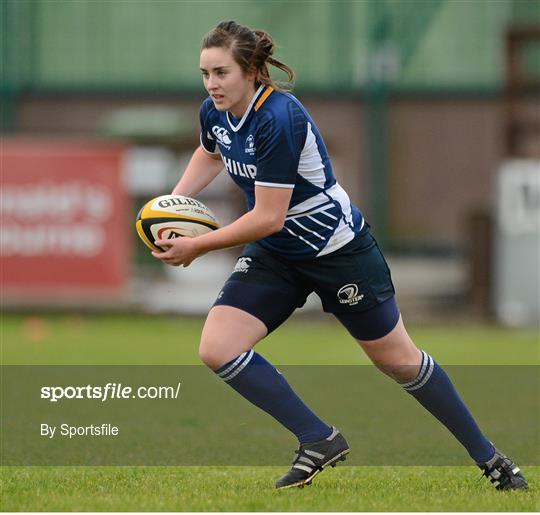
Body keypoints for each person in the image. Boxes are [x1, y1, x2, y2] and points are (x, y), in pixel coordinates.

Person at [152, 20, 528, 491]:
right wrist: (170, 206)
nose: (211, 84)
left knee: (399, 361)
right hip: (278, 254)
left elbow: (268, 215)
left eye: (222, 73)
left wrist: (198, 245)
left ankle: (491, 459)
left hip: (338, 251)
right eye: (205, 73)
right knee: (218, 348)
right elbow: (211, 152)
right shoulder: (215, 111)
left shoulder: (279, 118)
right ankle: (318, 437)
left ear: (251, 70)